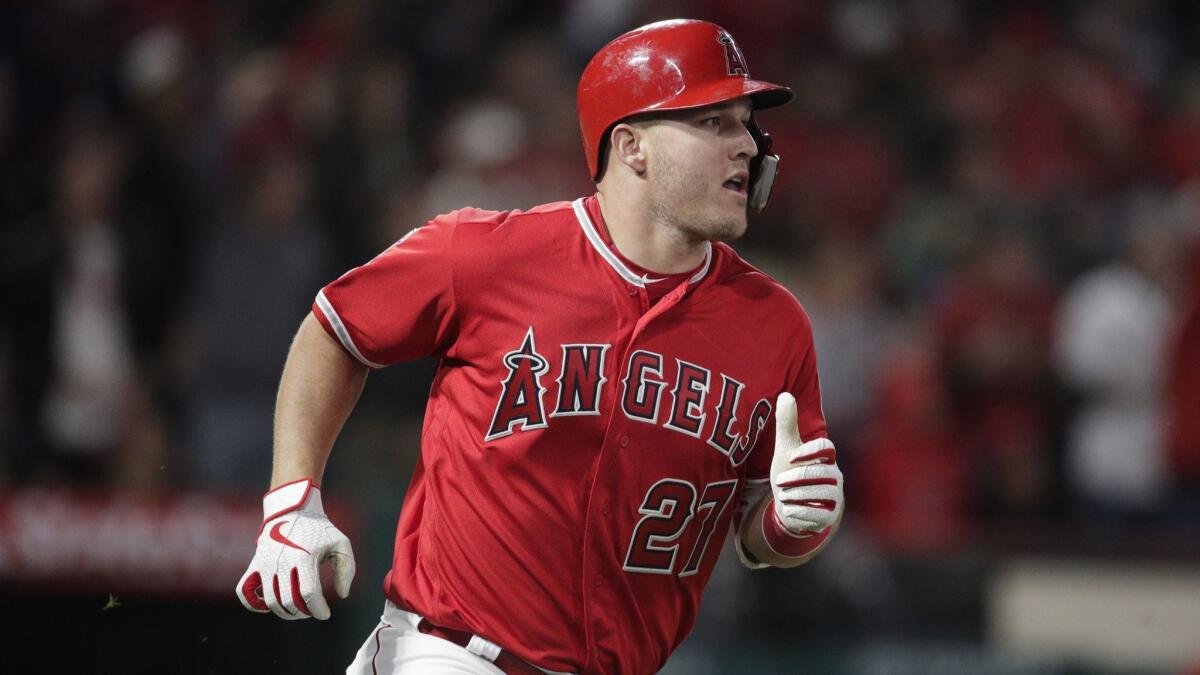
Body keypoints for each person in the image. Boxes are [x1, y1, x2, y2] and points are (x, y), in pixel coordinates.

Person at [236, 19, 844, 675]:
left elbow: (761, 532)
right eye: (714, 123)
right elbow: (334, 330)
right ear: (633, 146)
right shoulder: (484, 253)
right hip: (452, 653)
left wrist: (792, 525)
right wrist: (292, 500)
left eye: (745, 123)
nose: (746, 146)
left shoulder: (774, 323)